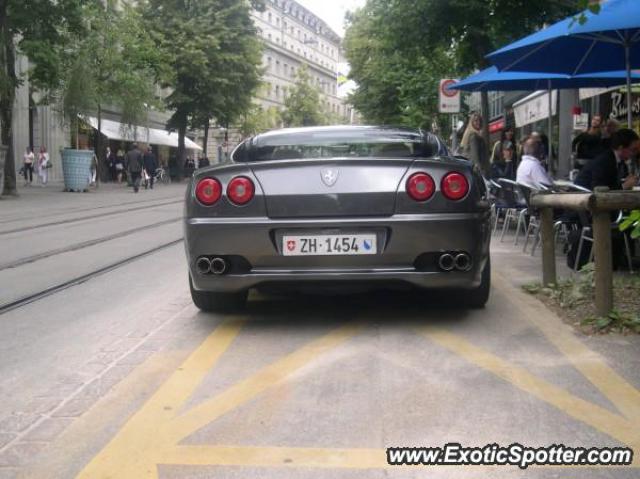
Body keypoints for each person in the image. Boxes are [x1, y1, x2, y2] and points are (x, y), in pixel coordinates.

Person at [574, 128, 639, 192]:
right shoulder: (604, 162)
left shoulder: (621, 163)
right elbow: (599, 189)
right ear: (621, 148)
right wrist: (624, 186)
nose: (635, 153)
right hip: (581, 197)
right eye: (633, 150)